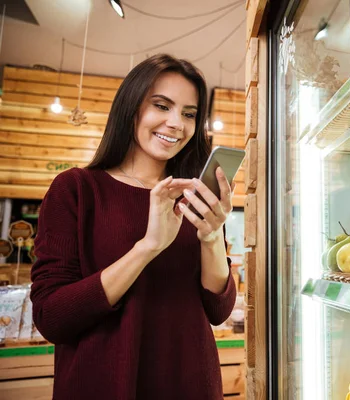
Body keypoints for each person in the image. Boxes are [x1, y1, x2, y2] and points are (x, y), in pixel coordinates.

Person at [30, 54, 237, 400]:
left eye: (189, 113)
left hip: (191, 385)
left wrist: (212, 236)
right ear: (131, 107)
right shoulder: (77, 189)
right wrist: (148, 246)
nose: (177, 123)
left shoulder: (194, 195)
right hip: (103, 386)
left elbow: (218, 310)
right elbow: (52, 317)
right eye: (162, 106)